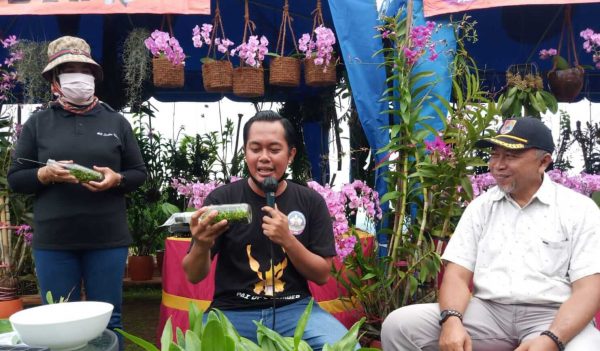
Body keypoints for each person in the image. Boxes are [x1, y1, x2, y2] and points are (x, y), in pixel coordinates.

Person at [381, 117, 600, 351]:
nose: (497, 165)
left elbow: (590, 288)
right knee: (399, 325)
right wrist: (452, 320)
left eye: (511, 156)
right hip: (488, 313)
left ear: (543, 162)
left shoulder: (578, 209)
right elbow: (456, 276)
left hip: (554, 313)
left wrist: (551, 339)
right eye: (495, 155)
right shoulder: (481, 207)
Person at [8, 36, 147, 335]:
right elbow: (16, 178)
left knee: (110, 321)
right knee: (59, 322)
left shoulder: (116, 122)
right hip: (55, 242)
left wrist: (117, 179)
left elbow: (138, 173)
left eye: (84, 69)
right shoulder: (39, 123)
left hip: (107, 240)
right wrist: (44, 175)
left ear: (94, 76)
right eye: (69, 69)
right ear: (55, 80)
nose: (79, 76)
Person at [182, 110, 351, 350]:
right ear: (245, 152)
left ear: (291, 154)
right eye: (255, 149)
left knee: (345, 347)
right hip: (231, 309)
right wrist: (201, 244)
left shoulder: (311, 201)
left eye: (274, 149)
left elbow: (322, 275)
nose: (264, 158)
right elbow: (193, 275)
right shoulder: (223, 200)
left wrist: (288, 240)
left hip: (294, 307)